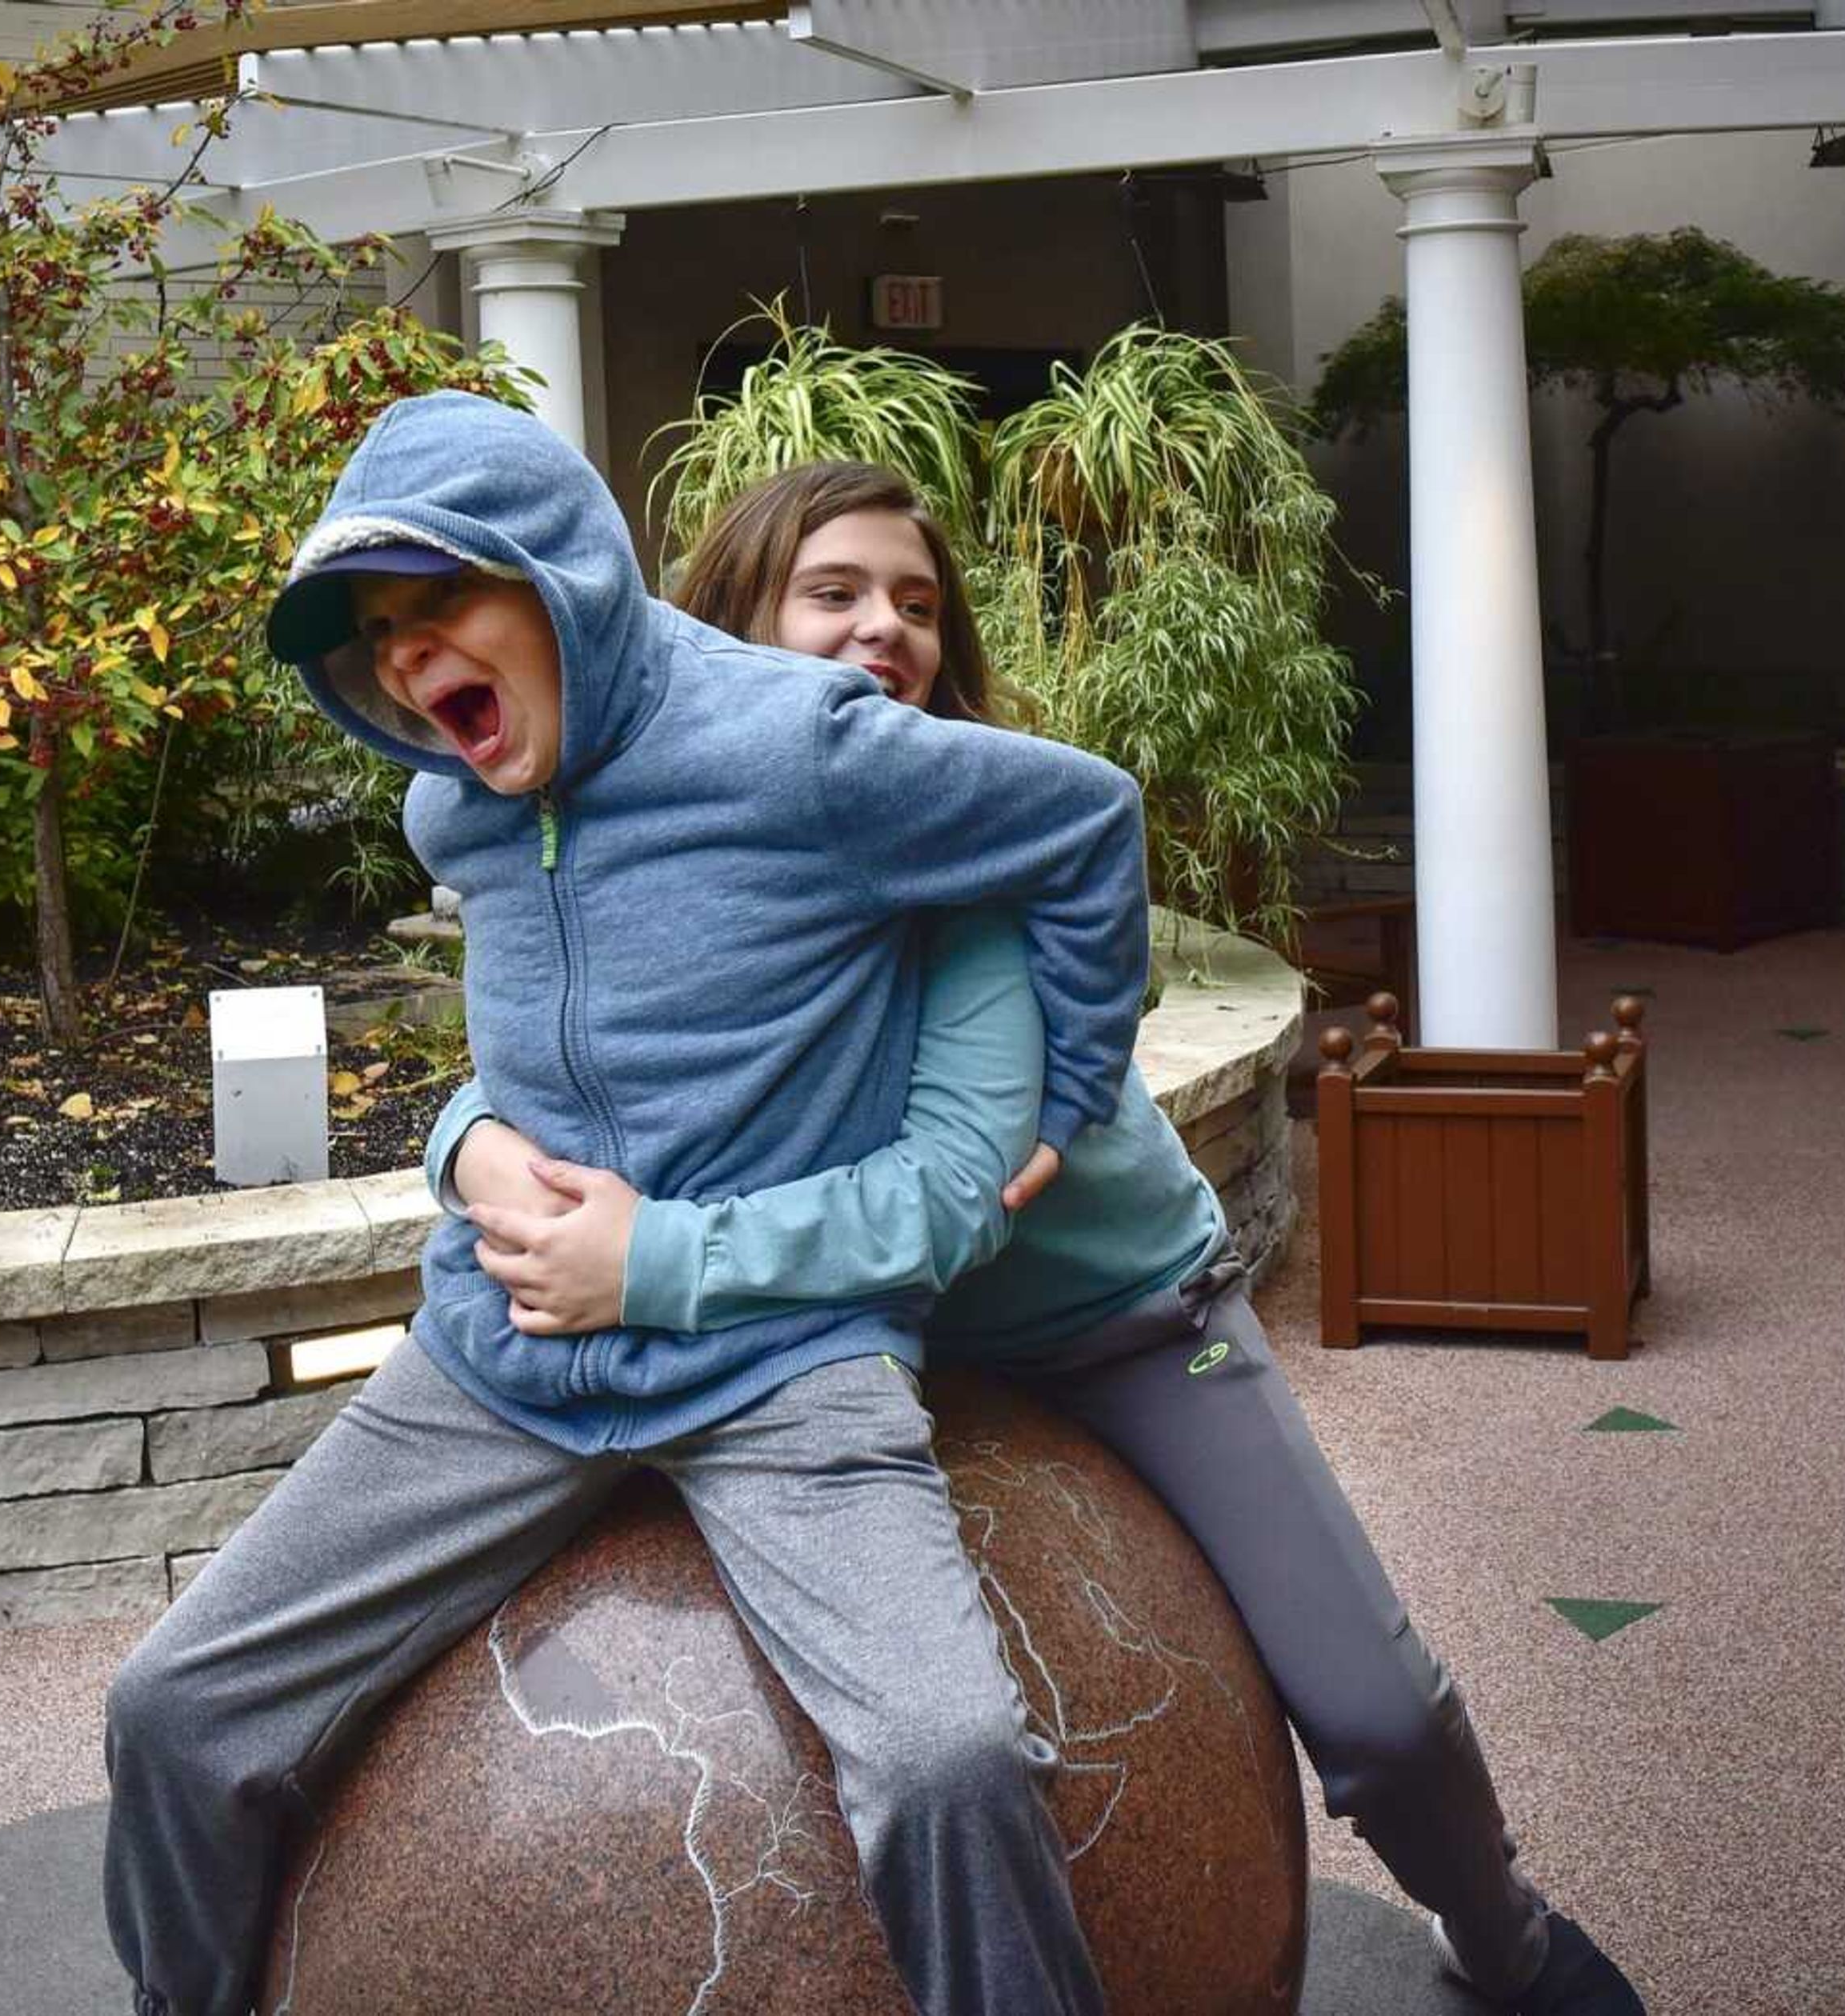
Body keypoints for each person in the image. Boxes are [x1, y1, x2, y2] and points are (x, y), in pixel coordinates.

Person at [432, 460, 1650, 2016]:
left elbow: (947, 1202)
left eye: (918, 604)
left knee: (1381, 1709)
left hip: (1123, 1323)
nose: (889, 628)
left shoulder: (981, 849)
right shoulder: (662, 840)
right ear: (724, 620)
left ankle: (1507, 1940)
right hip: (843, 1343)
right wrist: (466, 1143)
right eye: (837, 592)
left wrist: (651, 1262)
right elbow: (551, 1059)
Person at [101, 397, 1153, 2016]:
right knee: (172, 1707)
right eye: (378, 631)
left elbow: (1088, 818)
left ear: (560, 577)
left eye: (436, 603)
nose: (405, 656)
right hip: (499, 1357)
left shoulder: (804, 747)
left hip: (779, 1362)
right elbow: (543, 1057)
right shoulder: (454, 805)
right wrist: (467, 1146)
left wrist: (1070, 1097)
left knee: (949, 1760)